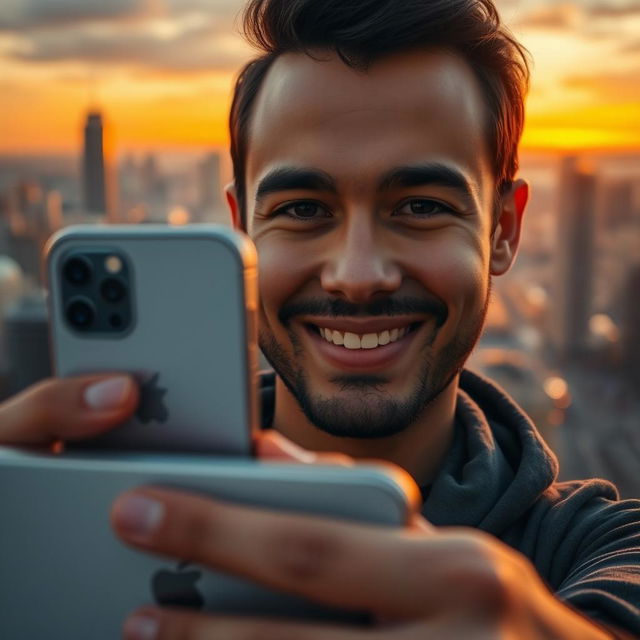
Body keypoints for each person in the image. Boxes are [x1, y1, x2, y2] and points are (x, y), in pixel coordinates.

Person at [2, 0, 639, 637]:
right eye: (304, 210)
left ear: (503, 229)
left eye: (420, 205)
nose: (357, 277)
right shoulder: (67, 519)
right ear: (240, 229)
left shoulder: (601, 545)